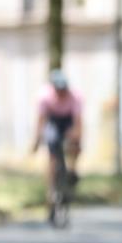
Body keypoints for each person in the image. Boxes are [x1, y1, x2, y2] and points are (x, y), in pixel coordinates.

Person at [32, 69, 83, 212]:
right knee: (52, 157)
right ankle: (51, 191)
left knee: (74, 144)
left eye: (63, 90)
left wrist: (76, 137)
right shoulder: (44, 97)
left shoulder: (75, 97)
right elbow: (41, 121)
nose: (61, 93)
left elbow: (78, 122)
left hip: (67, 121)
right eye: (58, 90)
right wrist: (37, 139)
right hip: (53, 122)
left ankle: (72, 170)